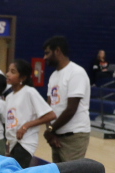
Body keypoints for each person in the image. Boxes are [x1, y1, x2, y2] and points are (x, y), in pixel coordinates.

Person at [43, 36, 92, 164]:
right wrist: (50, 131)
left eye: (47, 53)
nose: (45, 57)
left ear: (57, 51)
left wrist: (51, 130)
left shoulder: (76, 72)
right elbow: (48, 109)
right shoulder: (53, 76)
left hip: (74, 136)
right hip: (56, 135)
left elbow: (71, 109)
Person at [5, 59, 57, 168]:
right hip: (13, 143)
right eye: (8, 71)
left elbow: (51, 115)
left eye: (13, 72)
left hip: (25, 144)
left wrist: (26, 126)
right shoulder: (9, 96)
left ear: (22, 78)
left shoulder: (29, 92)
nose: (8, 74)